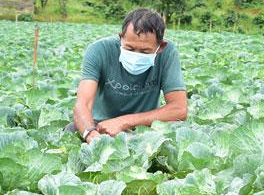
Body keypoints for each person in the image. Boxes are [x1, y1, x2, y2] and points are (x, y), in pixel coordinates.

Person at [67, 8, 187, 143]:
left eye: (145, 51)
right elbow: (82, 104)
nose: (136, 56)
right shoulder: (99, 50)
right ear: (120, 38)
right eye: (130, 49)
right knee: (73, 130)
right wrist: (91, 135)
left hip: (144, 126)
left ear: (161, 47)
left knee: (179, 129)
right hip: (101, 125)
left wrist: (124, 121)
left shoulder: (168, 52)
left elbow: (179, 109)